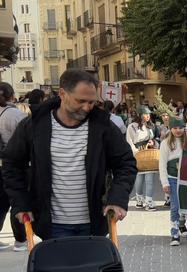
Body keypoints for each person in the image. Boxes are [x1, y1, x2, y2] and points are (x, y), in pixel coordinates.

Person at [1, 70, 136, 239]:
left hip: (94, 223)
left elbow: (126, 164)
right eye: (80, 101)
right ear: (63, 94)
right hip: (51, 225)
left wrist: (117, 199)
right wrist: (21, 203)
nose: (87, 107)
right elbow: (12, 165)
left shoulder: (103, 127)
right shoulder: (34, 126)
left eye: (91, 102)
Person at [0, 82, 28, 250]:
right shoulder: (17, 115)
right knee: (17, 199)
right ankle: (20, 240)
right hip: (15, 165)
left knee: (1, 202)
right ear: (11, 96)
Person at [158, 117, 187, 246]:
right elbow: (162, 164)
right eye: (175, 128)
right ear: (170, 129)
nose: (178, 130)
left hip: (186, 179)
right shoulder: (165, 143)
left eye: (181, 128)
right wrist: (164, 182)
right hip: (172, 178)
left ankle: (182, 224)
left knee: (185, 205)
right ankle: (174, 232)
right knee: (175, 206)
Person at [126, 106, 158, 210]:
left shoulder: (151, 126)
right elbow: (129, 141)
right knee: (139, 178)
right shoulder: (132, 126)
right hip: (137, 153)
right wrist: (135, 153)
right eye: (145, 114)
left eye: (149, 114)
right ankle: (139, 199)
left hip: (149, 153)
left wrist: (153, 142)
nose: (148, 116)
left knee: (150, 178)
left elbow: (155, 138)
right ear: (140, 115)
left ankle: (149, 201)